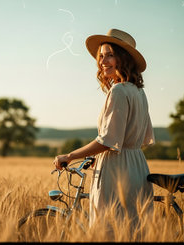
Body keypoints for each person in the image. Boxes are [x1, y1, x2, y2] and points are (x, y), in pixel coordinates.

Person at [53, 29, 155, 232]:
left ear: (123, 58)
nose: (103, 61)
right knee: (134, 231)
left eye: (110, 55)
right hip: (138, 168)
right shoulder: (138, 91)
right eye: (101, 56)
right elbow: (138, 137)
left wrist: (70, 155)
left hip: (116, 172)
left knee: (108, 230)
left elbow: (107, 140)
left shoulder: (118, 91)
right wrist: (99, 156)